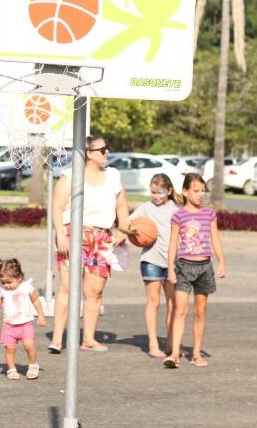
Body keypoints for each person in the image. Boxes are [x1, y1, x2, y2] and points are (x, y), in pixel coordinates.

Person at [48, 135, 130, 353]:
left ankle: (89, 339)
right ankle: (57, 339)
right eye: (103, 150)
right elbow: (56, 207)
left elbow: (122, 207)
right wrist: (60, 235)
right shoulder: (71, 175)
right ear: (89, 153)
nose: (107, 153)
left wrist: (123, 229)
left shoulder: (113, 176)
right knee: (67, 286)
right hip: (73, 233)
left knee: (95, 291)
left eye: (107, 149)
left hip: (102, 236)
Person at [164, 173, 226, 368]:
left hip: (204, 267)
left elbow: (215, 238)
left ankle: (196, 354)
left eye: (203, 191)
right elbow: (173, 244)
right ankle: (174, 354)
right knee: (180, 310)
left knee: (200, 312)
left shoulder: (209, 214)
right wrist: (170, 269)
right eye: (196, 191)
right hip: (184, 266)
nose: (201, 195)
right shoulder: (179, 216)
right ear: (185, 191)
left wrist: (221, 261)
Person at [127, 173, 180, 358]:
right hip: (151, 260)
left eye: (160, 192)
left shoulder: (176, 210)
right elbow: (127, 223)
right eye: (153, 192)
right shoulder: (146, 208)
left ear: (170, 191)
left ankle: (172, 344)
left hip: (173, 263)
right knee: (153, 302)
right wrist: (131, 231)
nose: (156, 196)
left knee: (174, 304)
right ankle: (153, 345)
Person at [0, 258, 47, 379]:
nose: (6, 286)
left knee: (29, 344)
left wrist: (41, 315)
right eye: (3, 283)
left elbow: (36, 301)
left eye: (9, 282)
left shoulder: (26, 287)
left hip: (25, 324)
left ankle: (33, 365)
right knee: (9, 349)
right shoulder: (2, 290)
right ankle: (11, 369)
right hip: (9, 326)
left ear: (19, 278)